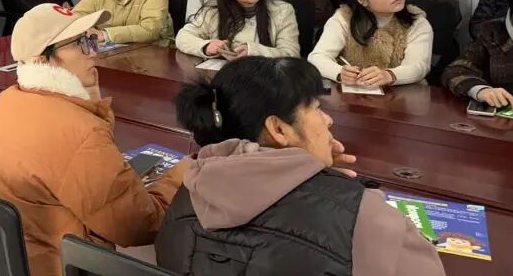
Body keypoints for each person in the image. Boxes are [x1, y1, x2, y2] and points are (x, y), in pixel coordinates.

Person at [155, 57, 444, 276]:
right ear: (279, 129)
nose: (328, 120)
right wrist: (345, 195)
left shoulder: (184, 196)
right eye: (316, 108)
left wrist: (316, 177)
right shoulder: (366, 216)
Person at [0, 4, 185, 276]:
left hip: (12, 259)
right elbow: (139, 226)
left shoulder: (10, 99)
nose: (93, 52)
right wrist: (183, 177)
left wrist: (89, 105)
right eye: (79, 43)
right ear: (43, 60)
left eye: (90, 39)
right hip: (60, 265)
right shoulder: (78, 131)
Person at [308, 0, 433, 87]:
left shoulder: (417, 21)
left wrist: (389, 75)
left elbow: (419, 66)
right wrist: (340, 73)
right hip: (353, 95)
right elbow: (317, 57)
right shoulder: (344, 18)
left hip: (403, 95)